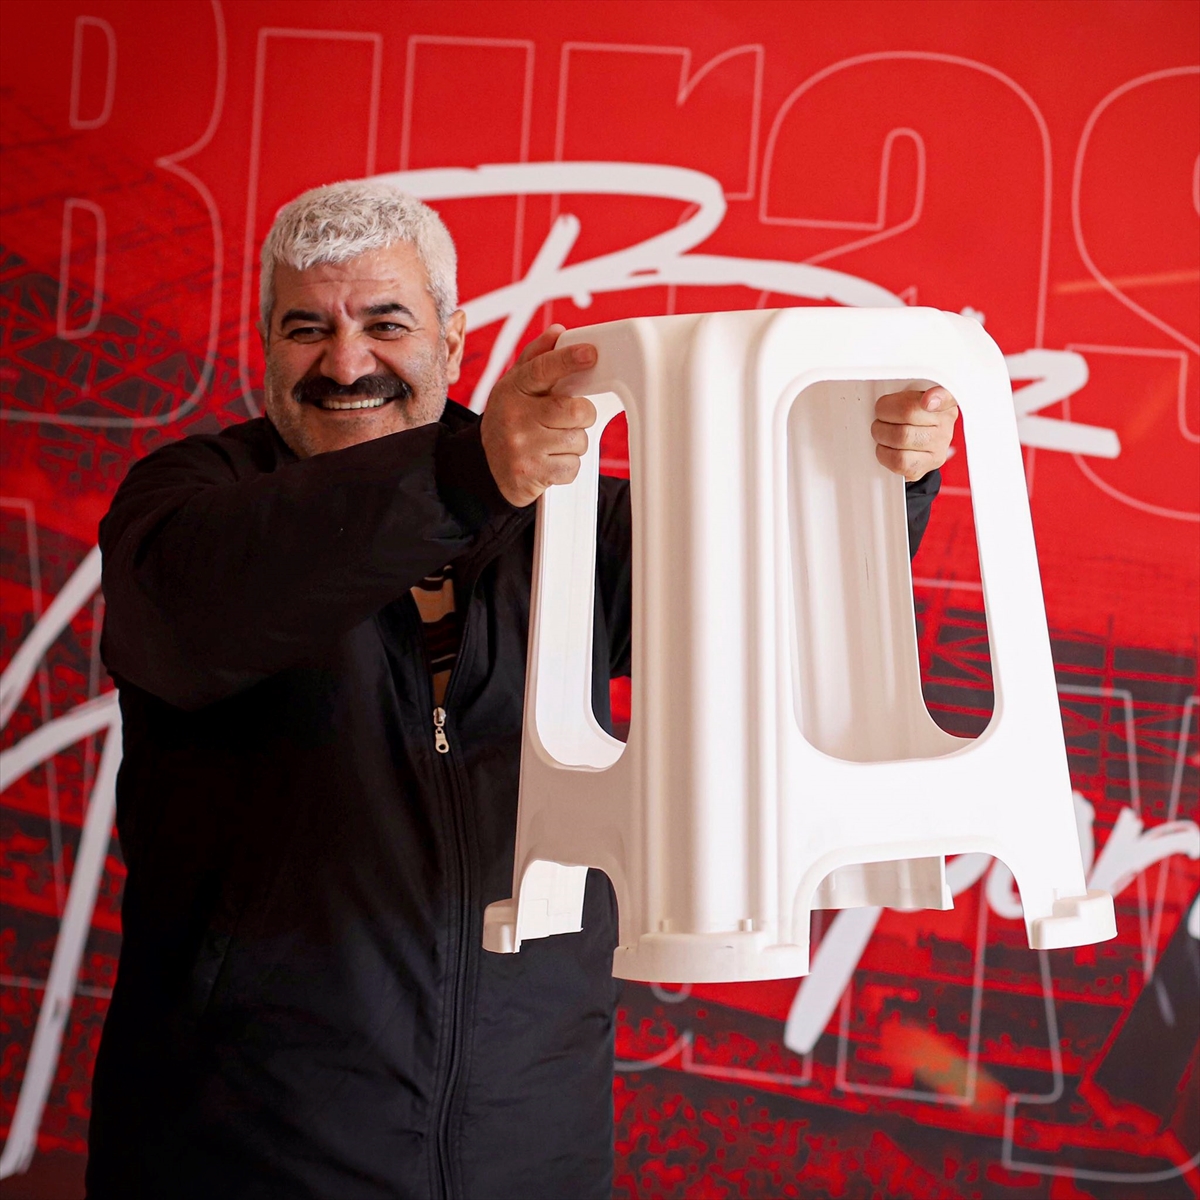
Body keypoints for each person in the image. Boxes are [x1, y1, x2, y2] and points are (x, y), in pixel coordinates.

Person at [87, 181, 958, 1200]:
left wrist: (875, 475)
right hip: (245, 1156)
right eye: (306, 328)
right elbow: (203, 601)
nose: (347, 363)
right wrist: (464, 478)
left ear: (454, 342)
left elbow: (776, 592)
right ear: (267, 348)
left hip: (535, 1145)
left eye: (386, 324)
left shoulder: (567, 515)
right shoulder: (188, 504)